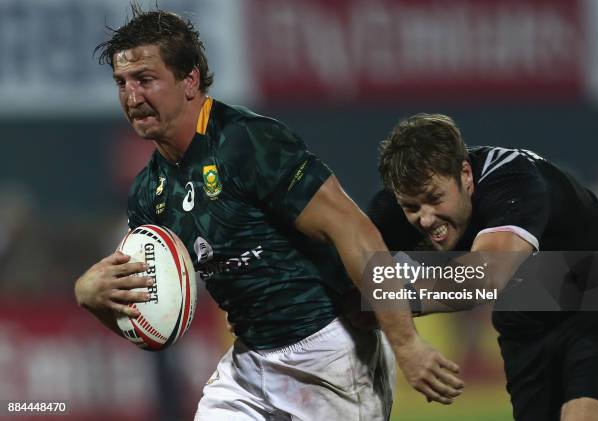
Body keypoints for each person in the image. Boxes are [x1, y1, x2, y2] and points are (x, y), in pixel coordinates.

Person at [73, 6, 464, 420]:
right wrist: (91, 297)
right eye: (122, 83)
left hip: (330, 353)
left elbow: (356, 233)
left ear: (189, 81)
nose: (132, 98)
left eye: (146, 80)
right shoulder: (147, 195)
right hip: (248, 364)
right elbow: (157, 324)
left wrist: (406, 343)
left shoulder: (247, 143)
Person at [369, 113, 598, 420]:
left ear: (466, 175)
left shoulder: (513, 180)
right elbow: (354, 274)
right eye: (412, 207)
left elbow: (485, 276)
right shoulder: (393, 208)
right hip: (524, 317)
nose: (426, 218)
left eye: (435, 198)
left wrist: (394, 301)